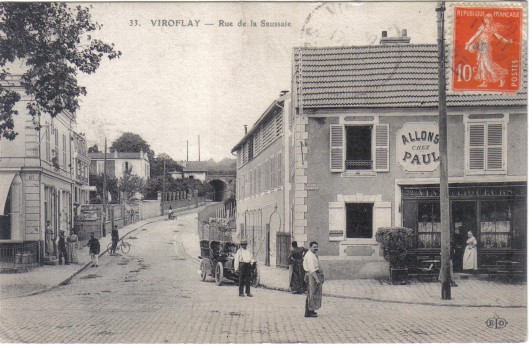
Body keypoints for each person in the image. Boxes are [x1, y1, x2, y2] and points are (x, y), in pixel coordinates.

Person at [465, 13, 513, 88]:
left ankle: (501, 78)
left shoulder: (492, 28)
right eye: (485, 18)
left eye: (487, 18)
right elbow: (475, 35)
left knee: (488, 64)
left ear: (490, 20)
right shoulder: (482, 27)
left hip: (487, 47)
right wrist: (468, 43)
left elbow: (499, 37)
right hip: (481, 46)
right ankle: (484, 82)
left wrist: (507, 41)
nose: (485, 20)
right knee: (482, 64)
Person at [303, 241, 324, 318]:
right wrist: (317, 279)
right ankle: (308, 312)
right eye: (314, 247)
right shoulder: (309, 256)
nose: (316, 248)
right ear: (310, 247)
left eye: (316, 247)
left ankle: (311, 310)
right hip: (312, 275)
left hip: (314, 274)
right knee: (311, 293)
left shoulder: (313, 254)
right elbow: (312, 269)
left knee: (313, 293)